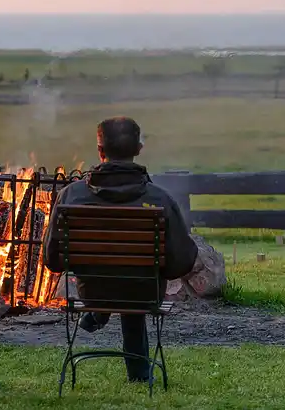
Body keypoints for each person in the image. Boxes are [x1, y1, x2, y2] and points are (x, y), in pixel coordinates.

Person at [42, 116, 198, 383]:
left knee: (114, 280)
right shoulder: (159, 199)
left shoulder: (71, 196)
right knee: (134, 282)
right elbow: (181, 262)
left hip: (91, 291)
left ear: (100, 151)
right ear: (138, 149)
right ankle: (138, 374)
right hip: (145, 292)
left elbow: (52, 260)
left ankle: (98, 313)